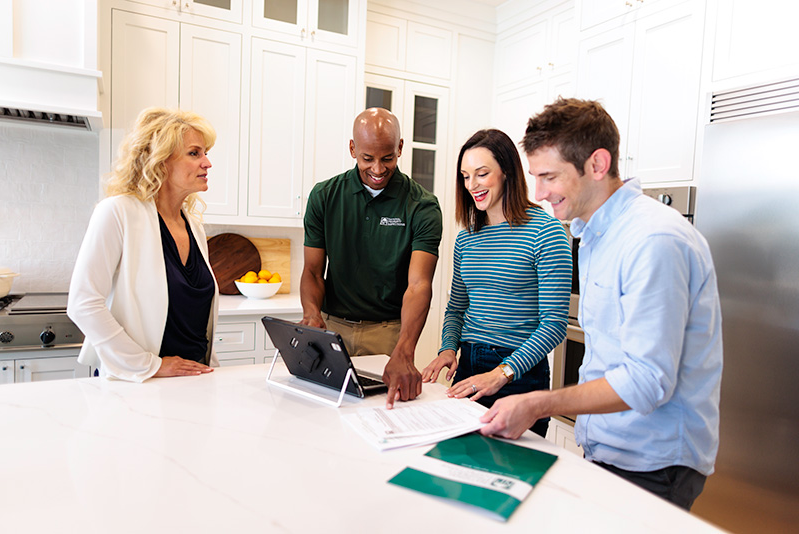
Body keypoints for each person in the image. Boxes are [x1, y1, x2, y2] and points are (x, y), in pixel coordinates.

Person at [479, 98, 723, 510]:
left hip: (654, 462)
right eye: (536, 178)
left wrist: (539, 402)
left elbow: (647, 380)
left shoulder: (653, 240)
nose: (539, 194)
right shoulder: (594, 234)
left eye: (549, 177)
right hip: (610, 449)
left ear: (597, 164)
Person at [420, 129, 571, 438]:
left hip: (519, 374)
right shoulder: (466, 238)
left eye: (482, 174)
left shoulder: (546, 232)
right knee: (457, 458)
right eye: (465, 176)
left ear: (506, 172)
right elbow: (456, 309)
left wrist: (501, 373)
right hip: (468, 367)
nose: (471, 185)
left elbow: (554, 325)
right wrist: (448, 348)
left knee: (511, 465)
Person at [301, 107, 443, 408]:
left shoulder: (422, 206)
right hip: (333, 329)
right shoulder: (324, 196)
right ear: (353, 149)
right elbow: (313, 271)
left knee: (382, 414)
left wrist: (405, 349)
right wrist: (312, 314)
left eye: (387, 158)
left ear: (400, 148)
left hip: (388, 333)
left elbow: (419, 284)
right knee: (322, 414)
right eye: (367, 158)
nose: (378, 169)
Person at [68, 107, 220, 382]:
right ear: (161, 160)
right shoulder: (118, 212)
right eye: (194, 153)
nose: (207, 163)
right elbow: (83, 303)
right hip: (139, 380)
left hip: (195, 379)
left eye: (206, 153)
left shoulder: (195, 227)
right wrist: (149, 365)